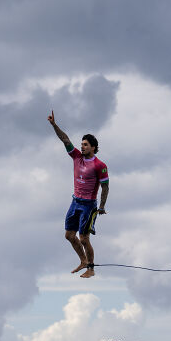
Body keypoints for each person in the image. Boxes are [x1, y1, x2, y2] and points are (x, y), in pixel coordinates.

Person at [47, 110, 109, 278]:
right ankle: (83, 261)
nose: (82, 147)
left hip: (89, 205)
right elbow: (65, 139)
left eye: (85, 145)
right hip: (75, 202)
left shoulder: (99, 165)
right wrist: (54, 125)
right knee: (69, 235)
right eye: (81, 144)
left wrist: (102, 206)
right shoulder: (76, 157)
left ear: (93, 147)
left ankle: (91, 268)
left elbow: (105, 187)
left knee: (83, 238)